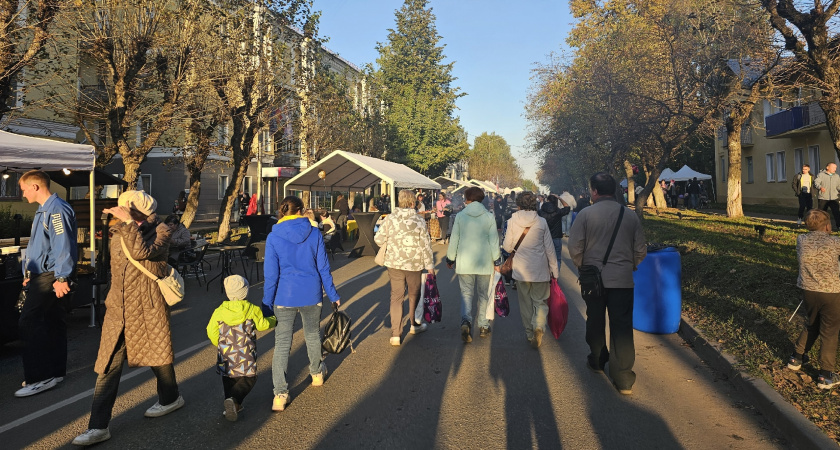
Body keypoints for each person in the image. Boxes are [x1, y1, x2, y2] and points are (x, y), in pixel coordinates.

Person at [73, 190, 182, 446]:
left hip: (147, 306)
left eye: (125, 208)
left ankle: (170, 398)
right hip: (119, 309)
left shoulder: (162, 232)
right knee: (109, 365)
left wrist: (128, 223)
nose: (119, 211)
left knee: (158, 358)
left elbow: (141, 252)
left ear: (136, 211)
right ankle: (98, 426)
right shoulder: (119, 231)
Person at [568, 172, 646, 395]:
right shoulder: (629, 215)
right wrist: (630, 265)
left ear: (594, 191)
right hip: (622, 280)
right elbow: (640, 249)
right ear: (614, 190)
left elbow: (575, 247)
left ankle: (597, 360)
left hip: (593, 280)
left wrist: (583, 267)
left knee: (595, 319)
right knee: (622, 327)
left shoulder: (585, 214)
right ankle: (623, 378)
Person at [263, 196, 340, 412]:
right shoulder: (314, 234)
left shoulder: (273, 237)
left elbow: (271, 275)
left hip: (283, 296)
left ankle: (280, 394)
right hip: (311, 293)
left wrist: (266, 303)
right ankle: (316, 373)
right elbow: (323, 268)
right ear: (301, 211)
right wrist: (333, 294)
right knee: (312, 335)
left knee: (282, 343)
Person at [16, 170, 76, 397]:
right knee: (53, 321)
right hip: (43, 273)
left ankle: (40, 377)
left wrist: (61, 277)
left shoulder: (56, 210)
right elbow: (40, 247)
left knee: (28, 321)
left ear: (35, 187)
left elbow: (63, 244)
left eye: (24, 190)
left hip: (50, 275)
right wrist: (29, 272)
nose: (23, 195)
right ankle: (55, 371)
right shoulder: (45, 209)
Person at [207, 275, 277, 421]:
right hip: (245, 352)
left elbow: (211, 331)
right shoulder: (252, 309)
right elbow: (262, 324)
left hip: (226, 353)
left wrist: (219, 343)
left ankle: (232, 405)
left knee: (228, 378)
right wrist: (273, 320)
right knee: (250, 377)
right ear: (245, 292)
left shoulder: (219, 311)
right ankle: (235, 400)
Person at [786, 209, 840, 389]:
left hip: (808, 290)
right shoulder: (835, 242)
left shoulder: (801, 240)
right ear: (827, 226)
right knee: (829, 332)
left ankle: (796, 357)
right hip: (831, 292)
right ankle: (826, 375)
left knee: (811, 323)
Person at [374, 189, 435, 346]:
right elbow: (426, 245)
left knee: (396, 296)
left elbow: (378, 239)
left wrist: (392, 244)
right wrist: (430, 266)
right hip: (415, 263)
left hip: (394, 262)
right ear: (413, 202)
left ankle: (396, 334)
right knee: (414, 294)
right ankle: (414, 324)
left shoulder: (390, 219)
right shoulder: (419, 220)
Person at [503, 192, 559, 349]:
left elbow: (507, 247)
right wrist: (555, 271)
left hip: (521, 271)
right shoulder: (541, 222)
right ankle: (539, 325)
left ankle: (529, 333)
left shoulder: (512, 221)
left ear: (518, 205)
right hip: (540, 270)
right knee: (540, 301)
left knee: (525, 303)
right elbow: (549, 249)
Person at [446, 187, 501, 341]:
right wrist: (497, 260)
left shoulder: (460, 216)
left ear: (467, 199)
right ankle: (483, 325)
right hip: (484, 262)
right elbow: (494, 241)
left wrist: (450, 258)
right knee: (483, 295)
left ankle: (466, 321)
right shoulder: (489, 216)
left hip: (465, 262)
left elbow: (454, 239)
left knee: (466, 294)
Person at [539, 194, 571, 268]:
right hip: (556, 237)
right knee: (557, 258)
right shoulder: (558, 211)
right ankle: (556, 274)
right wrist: (559, 198)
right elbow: (567, 207)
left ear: (547, 200)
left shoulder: (541, 212)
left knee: (545, 258)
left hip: (544, 238)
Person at [815, 163, 840, 231]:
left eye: (835, 168)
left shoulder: (836, 176)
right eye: (833, 167)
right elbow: (816, 182)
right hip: (823, 198)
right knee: (822, 213)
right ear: (827, 167)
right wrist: (820, 187)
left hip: (834, 198)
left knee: (836, 213)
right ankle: (821, 227)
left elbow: (838, 186)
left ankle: (838, 226)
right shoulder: (821, 175)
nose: (835, 169)